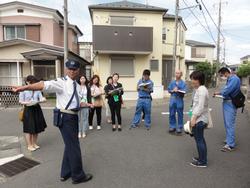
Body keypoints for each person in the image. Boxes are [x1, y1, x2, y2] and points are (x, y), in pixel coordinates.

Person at [13, 60, 93, 184]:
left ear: (78, 70)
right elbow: (42, 85)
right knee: (74, 147)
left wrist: (86, 104)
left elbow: (75, 102)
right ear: (66, 69)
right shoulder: (61, 82)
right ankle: (78, 176)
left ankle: (65, 173)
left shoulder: (76, 85)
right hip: (66, 117)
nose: (72, 71)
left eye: (75, 69)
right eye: (70, 69)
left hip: (72, 117)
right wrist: (24, 88)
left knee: (70, 145)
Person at [214, 67, 241, 152]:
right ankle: (229, 139)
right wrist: (221, 93)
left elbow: (227, 91)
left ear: (226, 72)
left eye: (222, 75)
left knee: (229, 123)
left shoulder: (234, 79)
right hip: (227, 102)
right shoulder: (231, 79)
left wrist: (219, 92)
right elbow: (226, 91)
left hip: (230, 103)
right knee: (227, 123)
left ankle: (230, 145)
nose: (222, 76)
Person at [19, 75, 47, 152]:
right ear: (27, 82)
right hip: (28, 109)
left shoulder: (37, 90)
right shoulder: (23, 90)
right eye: (31, 83)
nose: (33, 84)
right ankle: (29, 145)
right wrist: (28, 102)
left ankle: (34, 143)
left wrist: (43, 99)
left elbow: (41, 98)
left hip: (36, 109)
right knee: (29, 128)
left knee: (37, 127)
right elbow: (20, 101)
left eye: (34, 83)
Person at [189, 71, 209, 168]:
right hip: (200, 118)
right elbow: (195, 105)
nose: (192, 81)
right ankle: (202, 158)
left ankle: (202, 162)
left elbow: (200, 107)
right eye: (192, 78)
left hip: (199, 119)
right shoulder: (200, 89)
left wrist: (193, 118)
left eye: (194, 79)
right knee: (200, 140)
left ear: (199, 80)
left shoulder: (201, 90)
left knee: (199, 140)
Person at [168, 70, 187, 135]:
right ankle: (172, 126)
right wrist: (172, 90)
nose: (177, 74)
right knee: (172, 113)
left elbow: (184, 91)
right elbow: (169, 90)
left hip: (179, 98)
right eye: (176, 73)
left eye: (178, 73)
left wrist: (178, 90)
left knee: (180, 113)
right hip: (173, 98)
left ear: (181, 74)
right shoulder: (172, 82)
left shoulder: (183, 83)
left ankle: (179, 127)